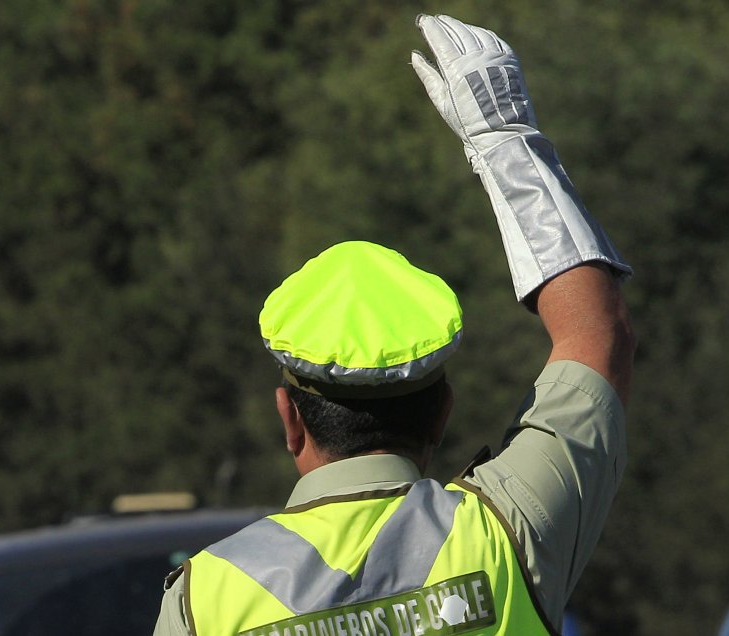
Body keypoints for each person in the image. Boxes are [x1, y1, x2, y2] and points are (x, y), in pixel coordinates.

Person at [152, 14, 634, 636]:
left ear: (289, 419)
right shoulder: (507, 532)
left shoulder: (208, 599)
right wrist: (505, 137)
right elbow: (597, 333)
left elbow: (596, 335)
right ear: (442, 412)